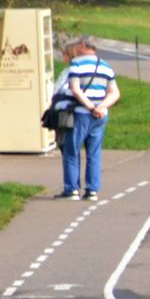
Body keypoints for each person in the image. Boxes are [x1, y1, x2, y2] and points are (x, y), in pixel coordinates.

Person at [55, 38, 119, 202]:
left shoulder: (76, 64)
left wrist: (90, 107)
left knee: (71, 151)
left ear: (83, 46)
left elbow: (75, 90)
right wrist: (101, 107)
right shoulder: (105, 66)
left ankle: (72, 190)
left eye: (78, 45)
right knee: (94, 153)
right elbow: (114, 93)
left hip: (80, 114)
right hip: (100, 116)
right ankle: (92, 190)